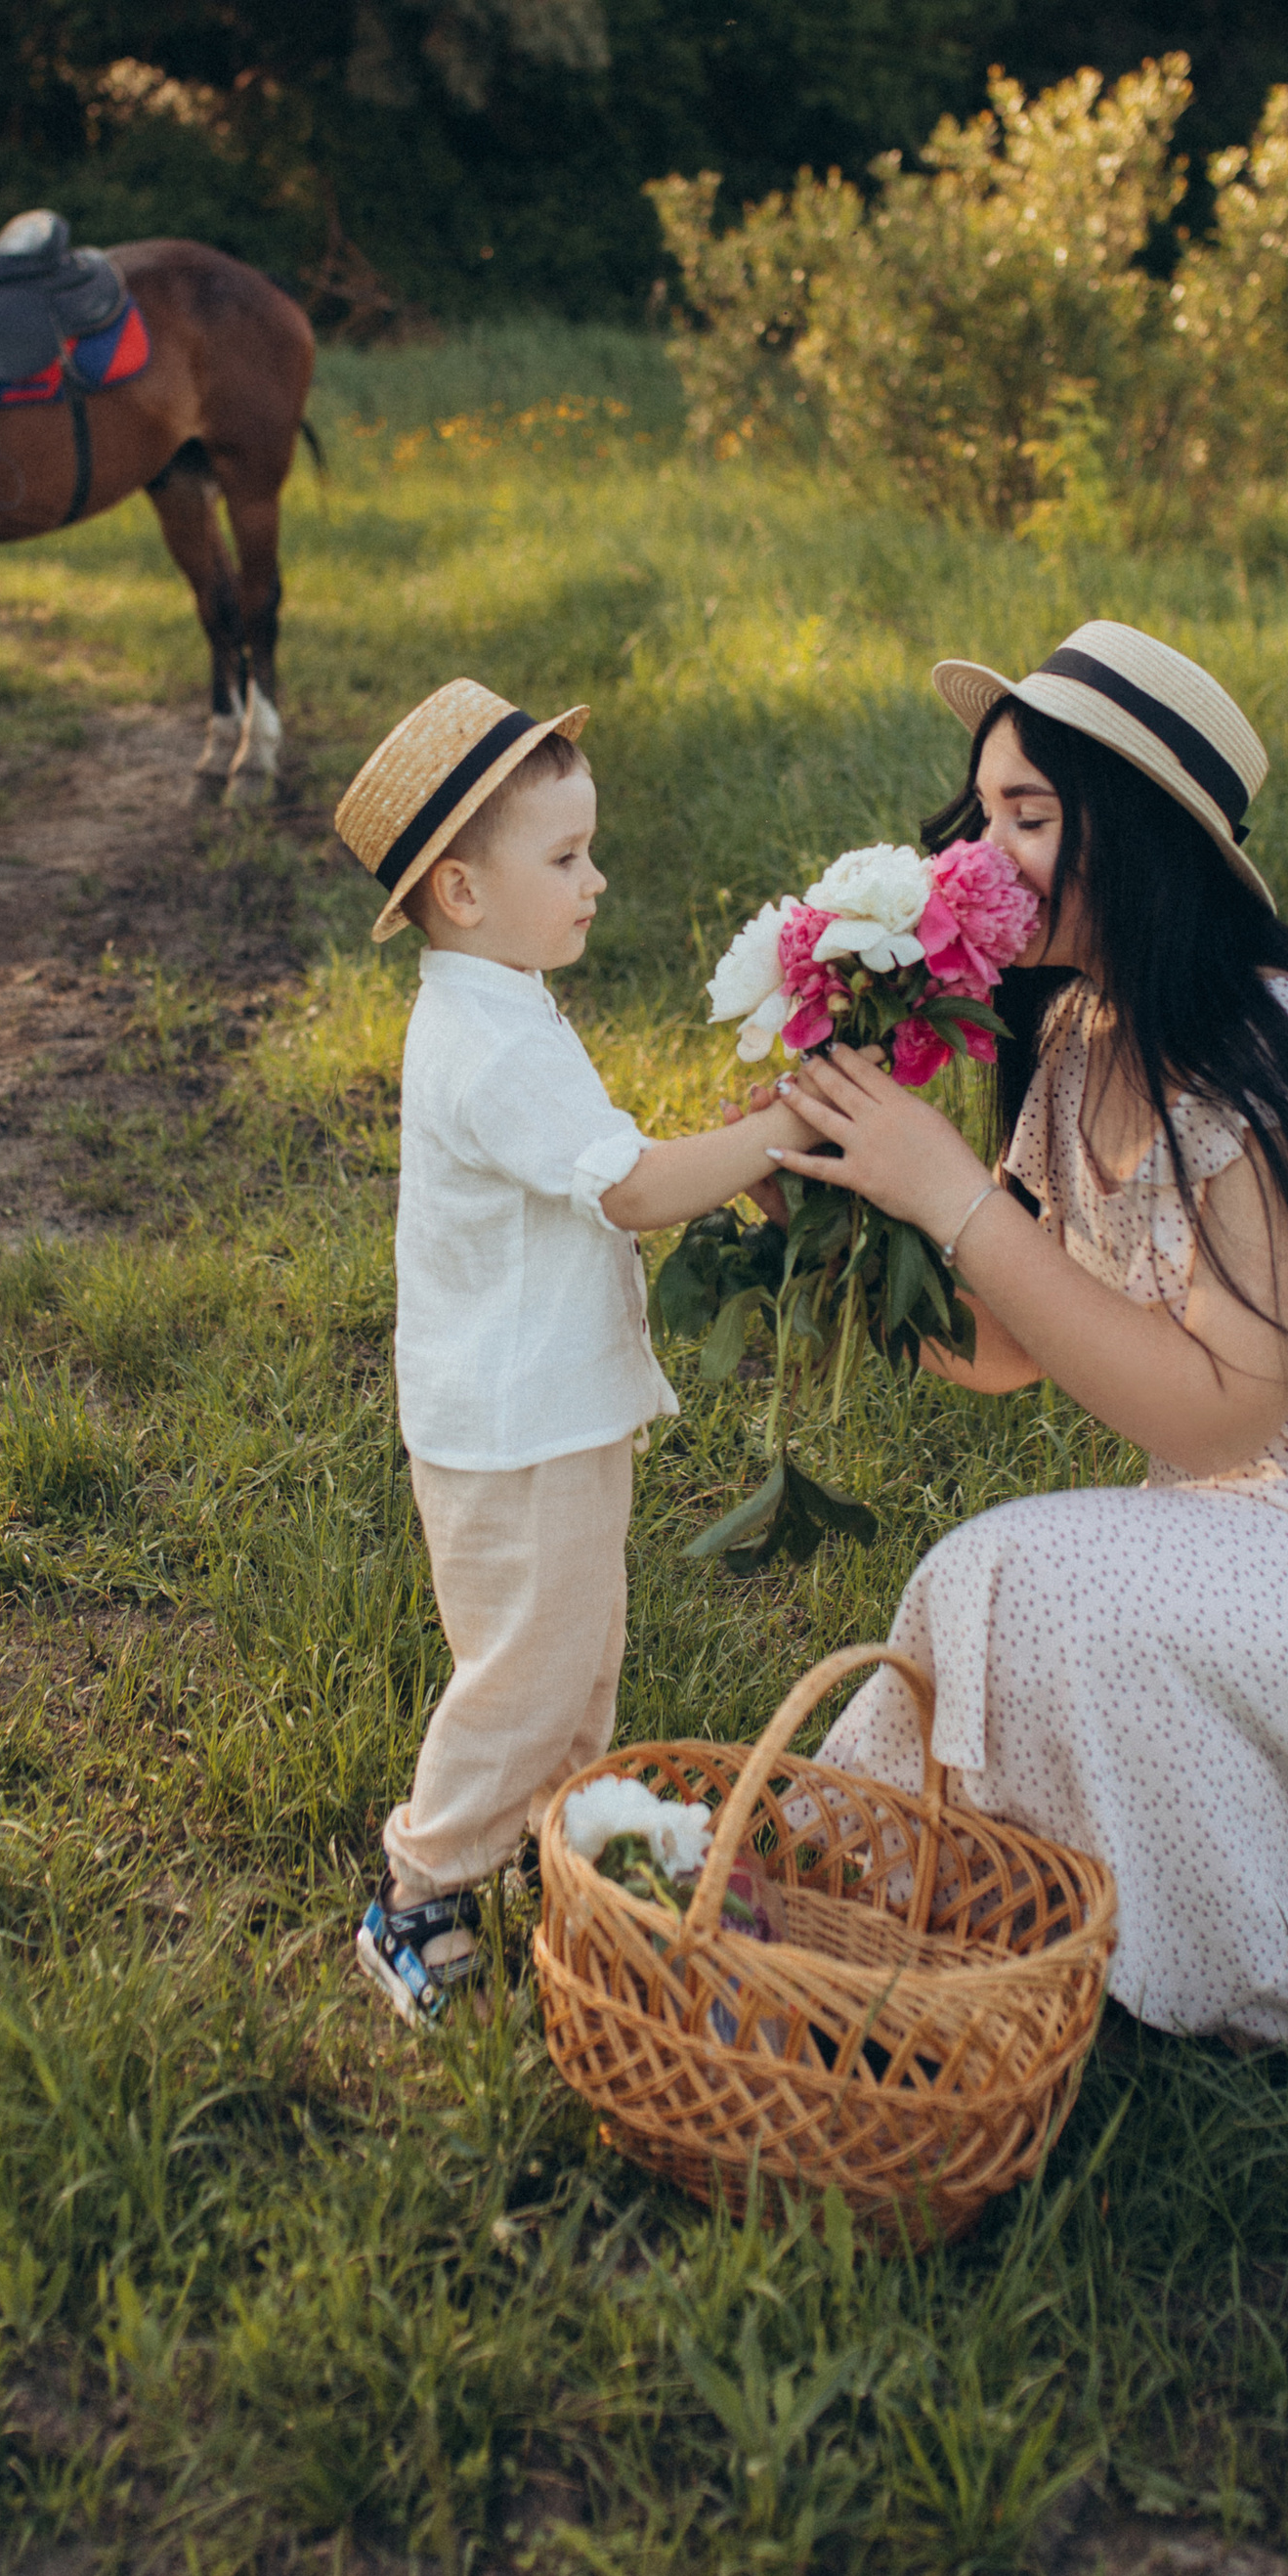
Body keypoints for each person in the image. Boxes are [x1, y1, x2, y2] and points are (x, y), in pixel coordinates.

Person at [773, 621, 1288, 2052]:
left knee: (1012, 1574)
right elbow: (1012, 1343)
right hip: (1273, 1532)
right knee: (1015, 1585)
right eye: (983, 813)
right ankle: (847, 1908)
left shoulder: (1272, 1055)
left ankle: (1144, 1936)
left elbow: (1217, 1418)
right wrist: (846, 1216)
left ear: (1140, 835)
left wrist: (955, 1195)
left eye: (1032, 815)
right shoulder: (1085, 1043)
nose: (985, 849)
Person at [333, 677, 816, 2027]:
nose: (597, 879)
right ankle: (418, 1888)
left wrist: (738, 1136)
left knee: (570, 1655)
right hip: (515, 1422)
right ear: (464, 892)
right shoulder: (488, 1043)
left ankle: (560, 1842)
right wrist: (774, 1136)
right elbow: (634, 1191)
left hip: (540, 1411)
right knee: (524, 1670)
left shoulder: (502, 999)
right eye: (565, 857)